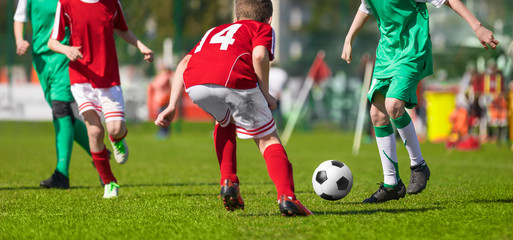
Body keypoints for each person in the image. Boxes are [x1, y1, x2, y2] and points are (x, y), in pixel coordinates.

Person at [155, 0, 312, 216]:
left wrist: (172, 105)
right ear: (268, 18)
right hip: (233, 80)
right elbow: (259, 55)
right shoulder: (262, 27)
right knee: (267, 139)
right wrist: (266, 95)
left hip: (196, 84)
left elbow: (183, 63)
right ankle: (287, 197)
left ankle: (228, 181)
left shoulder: (214, 30)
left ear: (235, 18)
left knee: (224, 121)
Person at [341, 0, 498, 203]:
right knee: (377, 114)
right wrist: (348, 38)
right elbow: (366, 7)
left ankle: (419, 166)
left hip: (411, 50)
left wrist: (477, 27)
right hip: (387, 52)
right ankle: (392, 184)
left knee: (393, 105)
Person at [48, 0, 154, 198]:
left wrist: (141, 46)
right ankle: (109, 182)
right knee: (95, 131)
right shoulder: (66, 3)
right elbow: (52, 41)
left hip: (108, 77)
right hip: (81, 79)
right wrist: (67, 49)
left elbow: (122, 29)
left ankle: (117, 139)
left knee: (114, 128)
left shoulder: (112, 3)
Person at [13, 0, 94, 189]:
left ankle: (61, 174)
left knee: (61, 109)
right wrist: (19, 40)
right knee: (64, 115)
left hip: (65, 56)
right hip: (41, 59)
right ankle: (99, 153)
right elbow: (19, 17)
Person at [147, 67, 173, 139]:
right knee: (160, 115)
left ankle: (164, 132)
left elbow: (158, 85)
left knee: (163, 116)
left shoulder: (165, 76)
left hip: (164, 99)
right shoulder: (161, 76)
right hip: (159, 99)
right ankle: (162, 131)